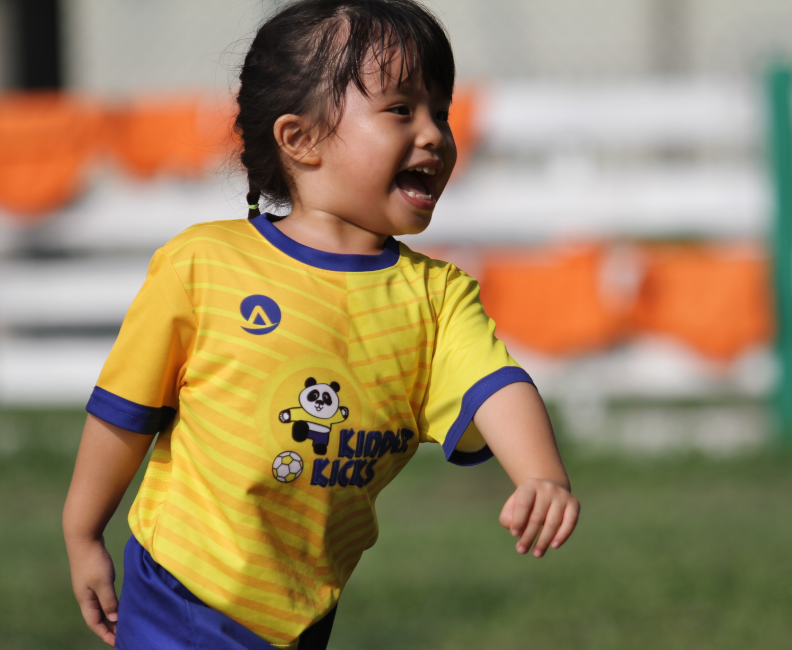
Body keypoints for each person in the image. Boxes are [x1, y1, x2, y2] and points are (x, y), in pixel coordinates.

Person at [61, 1, 580, 648]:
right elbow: (125, 409)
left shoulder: (436, 297)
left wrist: (541, 475)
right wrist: (83, 532)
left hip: (302, 611)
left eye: (440, 112)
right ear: (300, 139)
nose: (435, 135)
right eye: (400, 110)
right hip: (183, 587)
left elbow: (498, 385)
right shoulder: (203, 266)